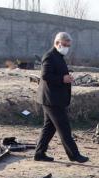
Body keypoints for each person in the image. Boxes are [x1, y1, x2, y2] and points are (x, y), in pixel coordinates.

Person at [33, 32, 88, 163]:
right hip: (51, 99)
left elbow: (56, 74)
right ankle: (74, 155)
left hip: (53, 98)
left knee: (49, 127)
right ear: (57, 43)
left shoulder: (58, 56)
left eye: (68, 45)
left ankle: (39, 153)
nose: (67, 48)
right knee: (64, 128)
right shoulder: (49, 56)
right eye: (64, 45)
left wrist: (67, 78)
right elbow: (45, 75)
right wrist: (62, 79)